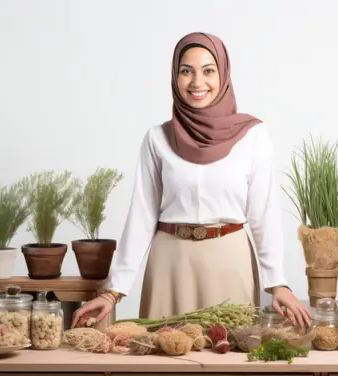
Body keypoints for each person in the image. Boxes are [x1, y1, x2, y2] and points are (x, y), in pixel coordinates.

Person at [72, 32, 312, 328]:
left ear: (223, 74)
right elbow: (141, 217)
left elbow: (263, 214)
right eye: (187, 71)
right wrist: (113, 292)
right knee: (164, 360)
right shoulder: (157, 139)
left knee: (230, 363)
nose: (197, 82)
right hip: (169, 266)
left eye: (208, 71)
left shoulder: (253, 136)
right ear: (175, 77)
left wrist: (278, 283)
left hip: (230, 262)